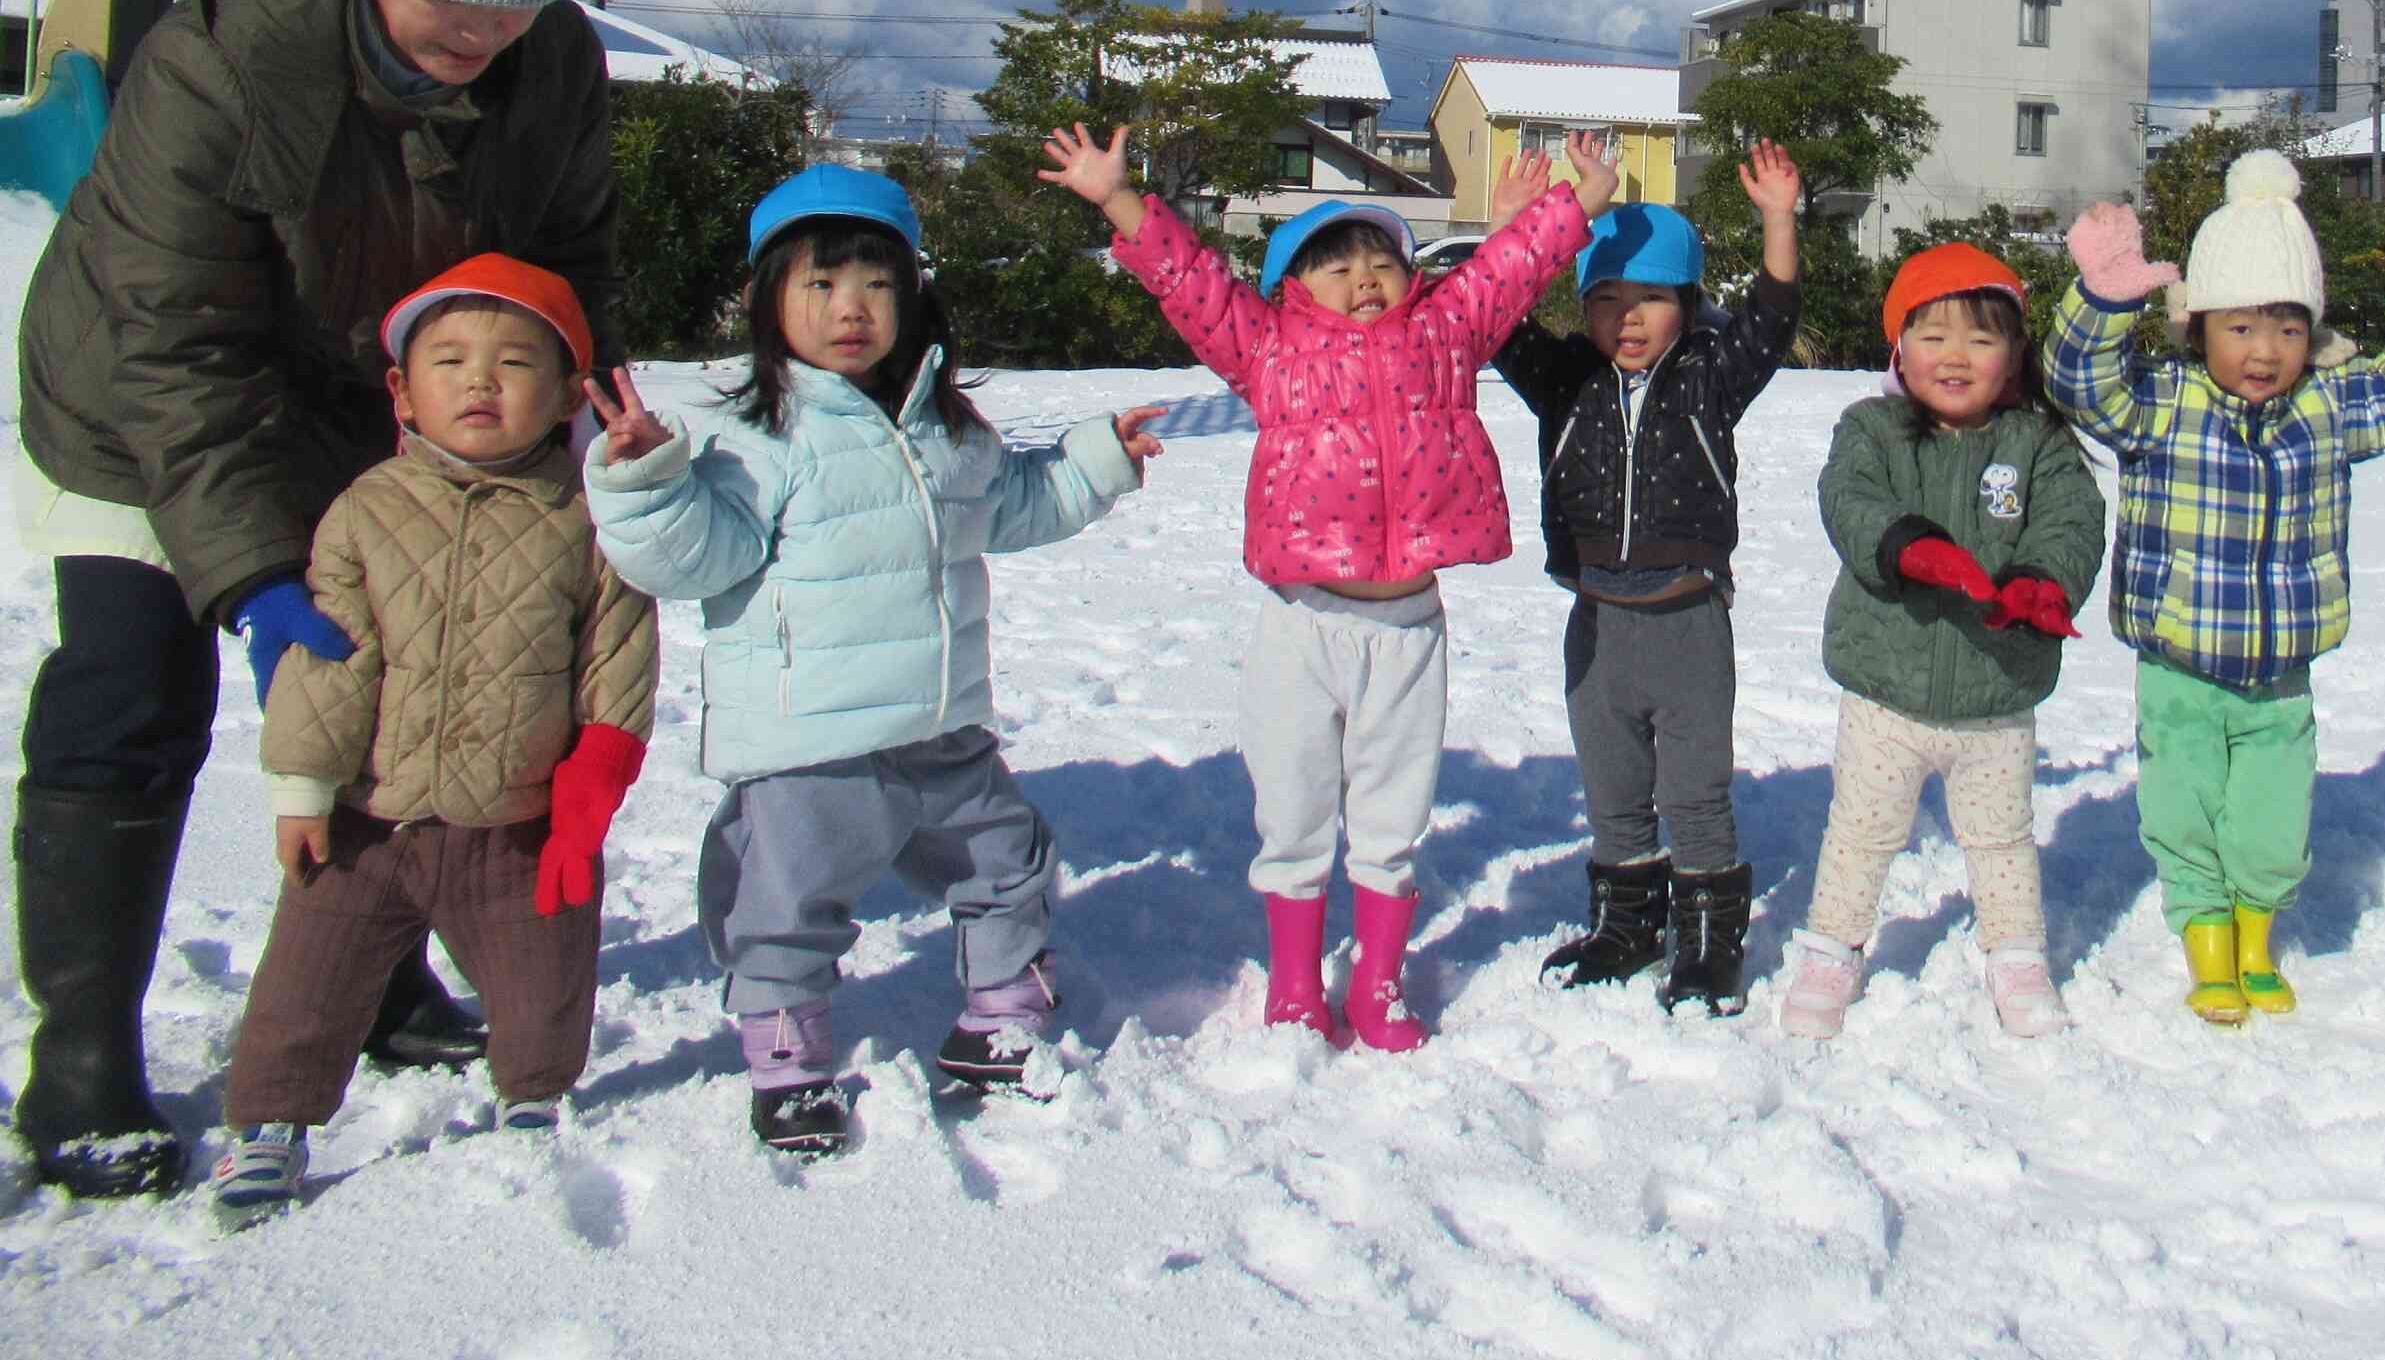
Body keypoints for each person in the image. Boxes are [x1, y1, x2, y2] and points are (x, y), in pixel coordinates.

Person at [12, 0, 614, 1197]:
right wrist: (249, 569)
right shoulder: (226, 58)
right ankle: (81, 1059)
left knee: (411, 691)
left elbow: (572, 258)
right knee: (130, 692)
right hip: (141, 396)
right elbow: (175, 342)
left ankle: (382, 982)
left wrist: (576, 408)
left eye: (511, 2)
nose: (481, 31)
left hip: (376, 394)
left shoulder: (554, 66)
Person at [581, 167, 1160, 1159]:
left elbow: (1016, 505)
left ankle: (999, 1017)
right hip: (814, 744)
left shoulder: (944, 428)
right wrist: (644, 480)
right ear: (769, 302)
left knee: (1009, 862)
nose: (850, 308)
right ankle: (788, 1060)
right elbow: (692, 558)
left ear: (913, 296)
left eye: (876, 285)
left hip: (940, 726)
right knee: (789, 906)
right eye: (819, 284)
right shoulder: (750, 437)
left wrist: (1096, 459)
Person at [1041, 123, 1602, 1053]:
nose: (1364, 278)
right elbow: (1191, 282)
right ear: (1290, 289)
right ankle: (1297, 980)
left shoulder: (1445, 333)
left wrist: (1575, 201)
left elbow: (1508, 271)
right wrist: (1117, 199)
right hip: (1303, 625)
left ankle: (1378, 980)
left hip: (1408, 626)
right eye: (1334, 266)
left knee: (1393, 810)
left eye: (1379, 258)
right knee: (1294, 806)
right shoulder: (1267, 350)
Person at [209, 257, 655, 1216]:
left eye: (514, 362)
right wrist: (300, 787)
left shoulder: (586, 523)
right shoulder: (365, 510)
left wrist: (586, 794)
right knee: (305, 984)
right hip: (371, 819)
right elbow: (331, 664)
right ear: (404, 391)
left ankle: (533, 1097)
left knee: (544, 983)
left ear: (566, 394)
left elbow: (616, 661)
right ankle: (271, 1125)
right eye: (449, 360)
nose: (481, 382)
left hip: (518, 818)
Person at [2048, 153, 2385, 1026]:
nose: (2265, 351)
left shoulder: (2332, 405)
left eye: (2285, 326)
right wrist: (2104, 300)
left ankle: (2255, 933)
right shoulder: (2159, 400)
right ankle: (2207, 940)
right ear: (2198, 327)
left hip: (2281, 671)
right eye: (2240, 327)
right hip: (2179, 663)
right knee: (2184, 807)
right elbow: (2076, 381)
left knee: (2273, 824)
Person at [1493, 142, 1805, 1015]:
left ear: (1688, 305)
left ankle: (1709, 943)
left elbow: (1773, 317)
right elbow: (1493, 318)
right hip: (1597, 623)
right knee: (1614, 788)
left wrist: (1779, 218)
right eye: (1607, 299)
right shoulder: (1565, 381)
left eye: (1652, 300)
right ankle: (1624, 925)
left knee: (1696, 791)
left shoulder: (1710, 379)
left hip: (1687, 621)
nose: (1628, 319)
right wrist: (1510, 230)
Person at [1781, 242, 2105, 1044]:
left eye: (1981, 338)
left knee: (2000, 840)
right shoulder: (1873, 430)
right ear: (1898, 347)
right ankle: (1832, 950)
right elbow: (1848, 500)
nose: (1955, 356)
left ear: (2015, 355)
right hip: (1887, 690)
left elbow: (2073, 521)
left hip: (1997, 694)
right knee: (1862, 832)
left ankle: (2018, 956)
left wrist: (2042, 580)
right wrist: (1909, 546)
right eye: (1932, 334)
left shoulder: (2038, 444)